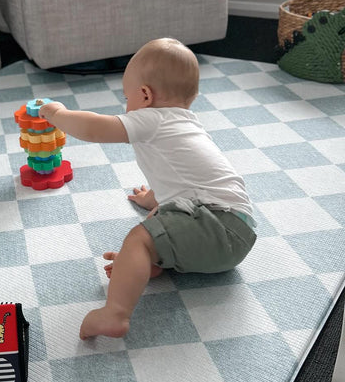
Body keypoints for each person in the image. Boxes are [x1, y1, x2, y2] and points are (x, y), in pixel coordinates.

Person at [39, 37, 257, 340]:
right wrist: (153, 199)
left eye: (126, 98)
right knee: (154, 221)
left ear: (144, 95)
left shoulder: (151, 117)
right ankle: (153, 263)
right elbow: (188, 181)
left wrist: (57, 115)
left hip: (218, 225)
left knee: (138, 239)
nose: (126, 107)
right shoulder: (188, 123)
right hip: (238, 232)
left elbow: (93, 128)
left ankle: (114, 313)